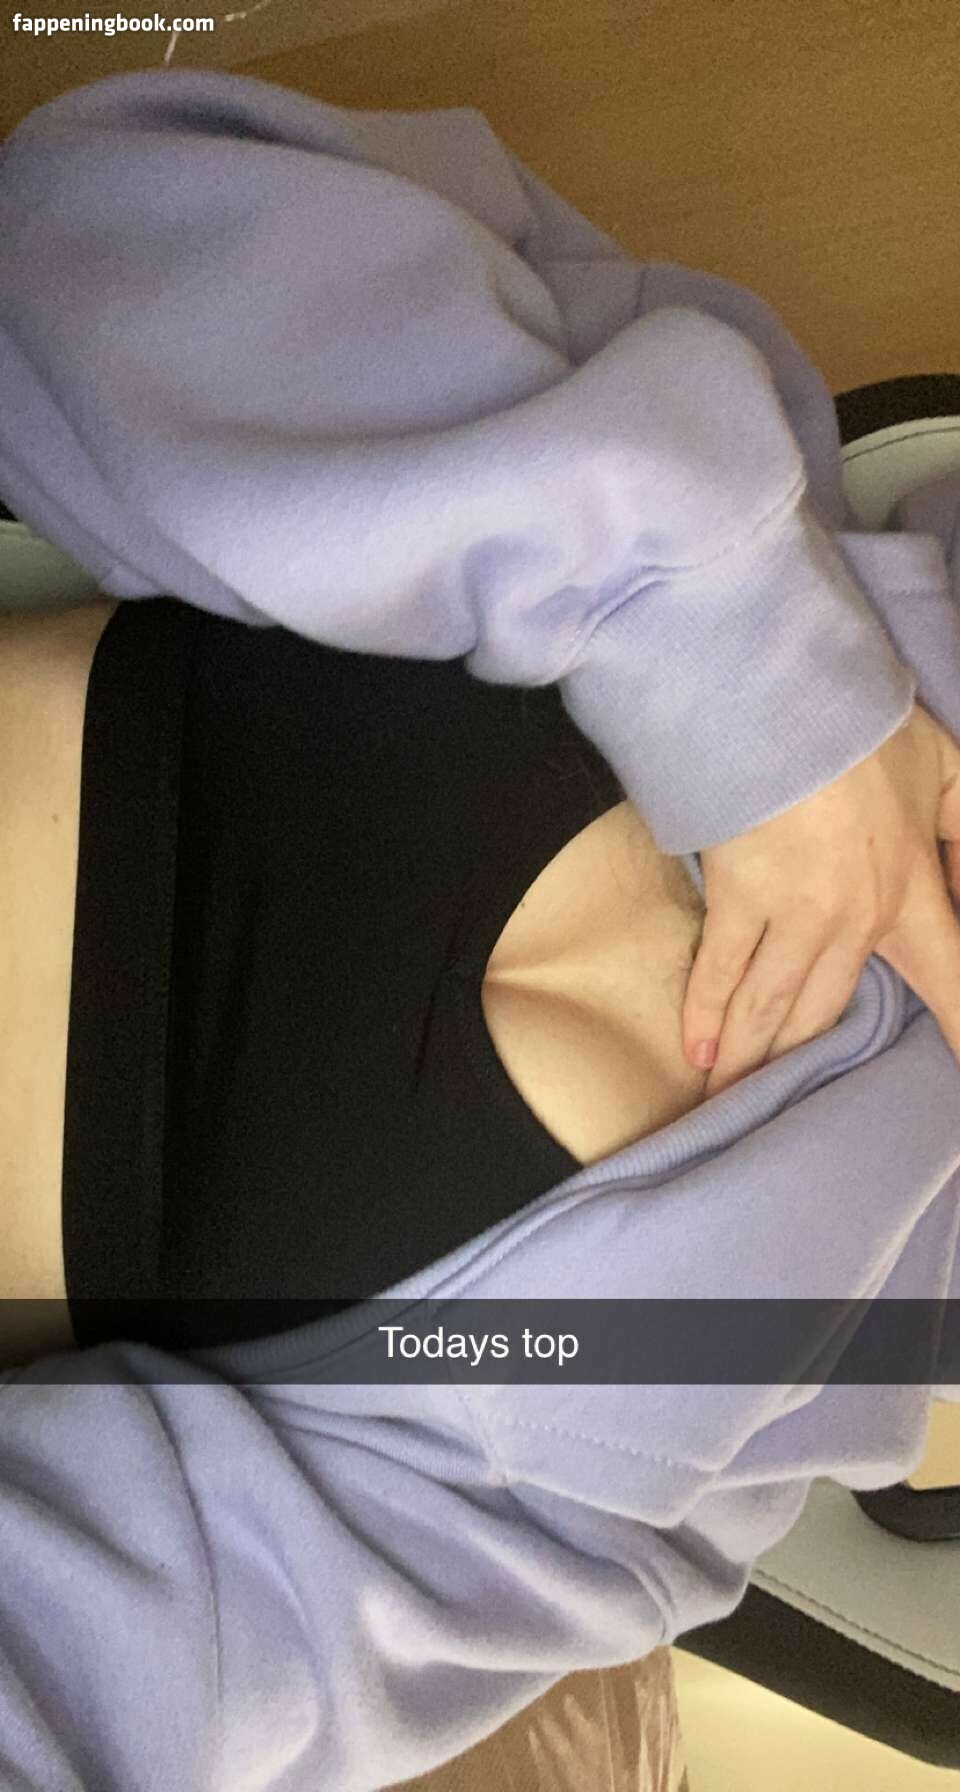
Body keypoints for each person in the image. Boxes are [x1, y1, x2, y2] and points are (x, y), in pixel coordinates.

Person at [0, 67, 958, 1792]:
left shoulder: (640, 1463)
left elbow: (91, 1689)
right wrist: (726, 631)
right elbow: (71, 217)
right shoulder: (752, 482)